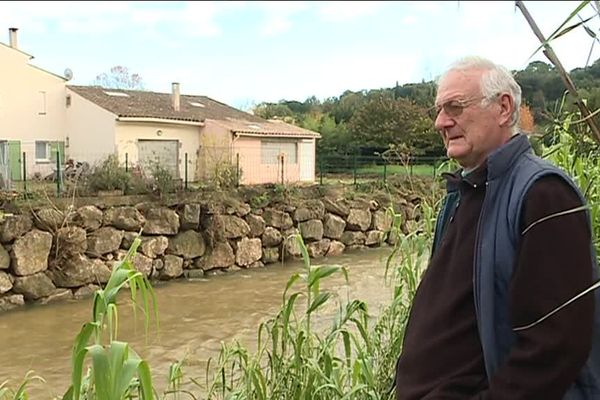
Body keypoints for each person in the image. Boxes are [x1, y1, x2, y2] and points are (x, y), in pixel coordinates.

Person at [394, 56, 600, 399]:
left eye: (454, 107)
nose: (439, 122)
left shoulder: (545, 194)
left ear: (504, 108)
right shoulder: (465, 192)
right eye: (439, 109)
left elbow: (557, 344)